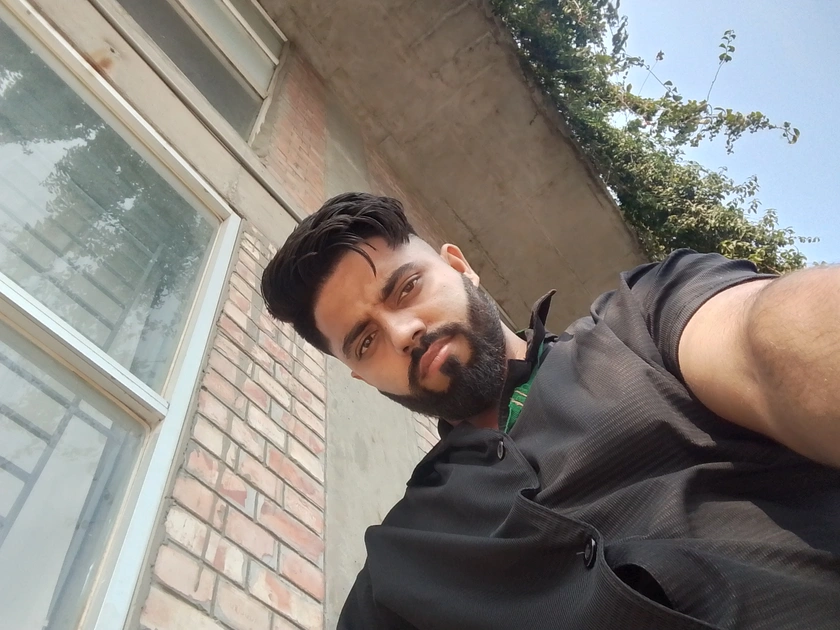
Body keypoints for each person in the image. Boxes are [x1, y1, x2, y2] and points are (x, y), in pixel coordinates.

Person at [261, 193, 840, 630]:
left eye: (406, 287)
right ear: (360, 375)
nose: (402, 332)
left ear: (460, 267)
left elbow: (764, 338)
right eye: (365, 342)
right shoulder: (398, 567)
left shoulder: (643, 324)